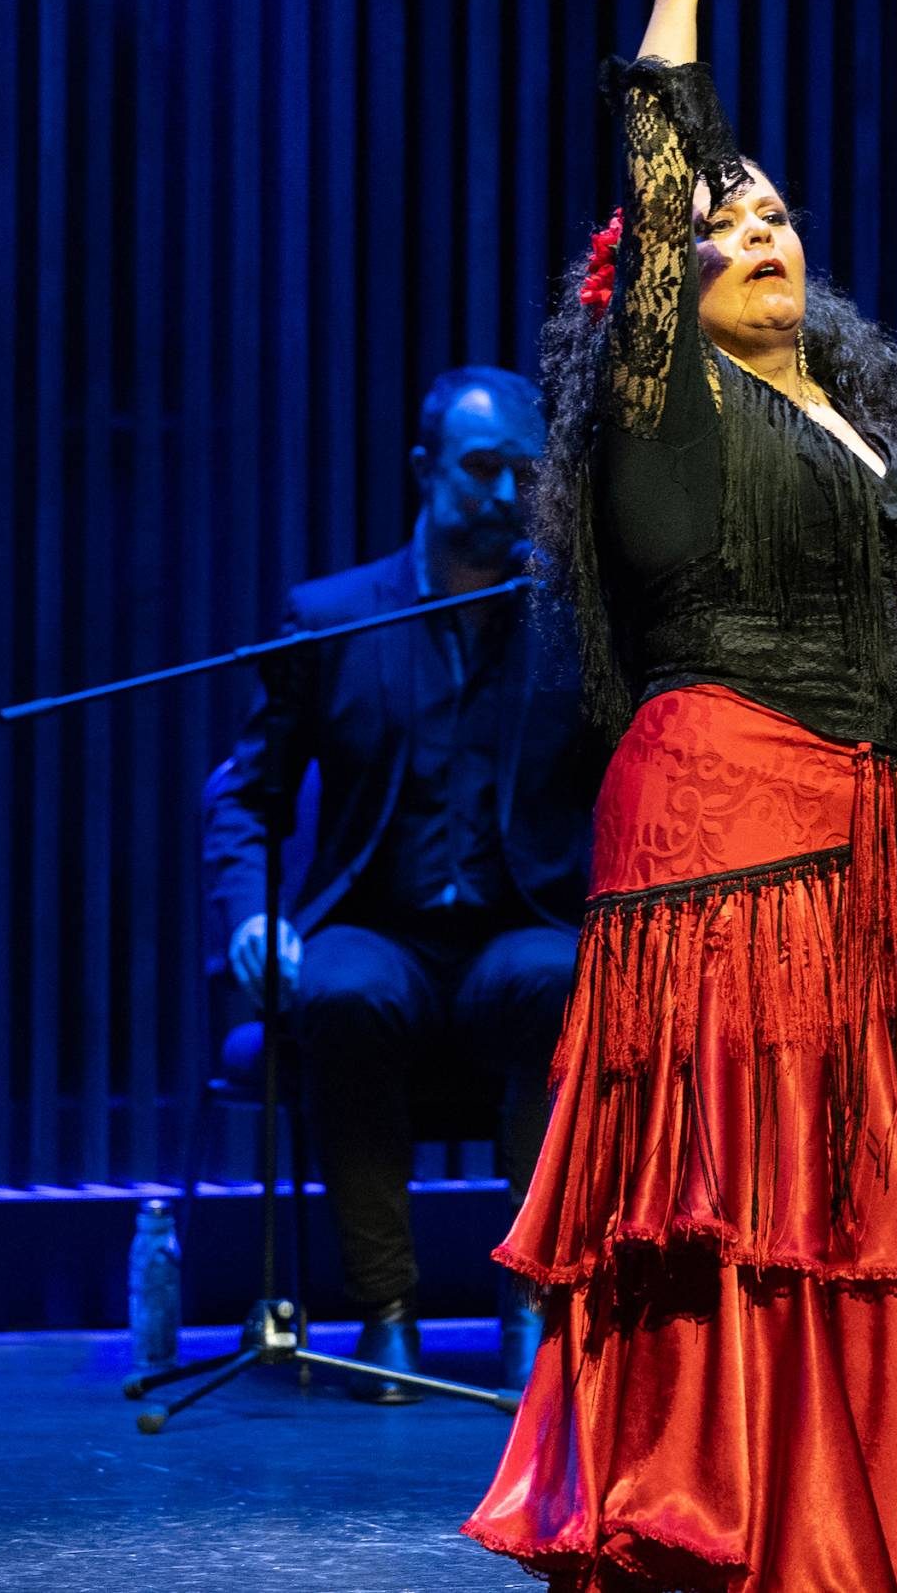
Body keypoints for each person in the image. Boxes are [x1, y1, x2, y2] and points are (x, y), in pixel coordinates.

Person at [466, 0, 897, 1593]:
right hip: (727, 836)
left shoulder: (853, 424)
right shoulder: (668, 411)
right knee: (745, 1195)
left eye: (773, 209)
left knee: (845, 1199)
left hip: (857, 844)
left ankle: (847, 1521)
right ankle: (712, 1523)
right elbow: (658, 200)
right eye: (722, 225)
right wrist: (680, 10)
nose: (756, 227)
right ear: (651, 293)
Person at [203, 367, 597, 1399]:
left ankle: (533, 1305)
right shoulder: (332, 617)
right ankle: (385, 1312)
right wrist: (252, 917)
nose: (509, 498)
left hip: (521, 925)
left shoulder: (572, 623)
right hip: (377, 929)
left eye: (527, 472)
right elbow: (245, 799)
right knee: (336, 989)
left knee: (558, 980)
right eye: (481, 472)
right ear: (423, 471)